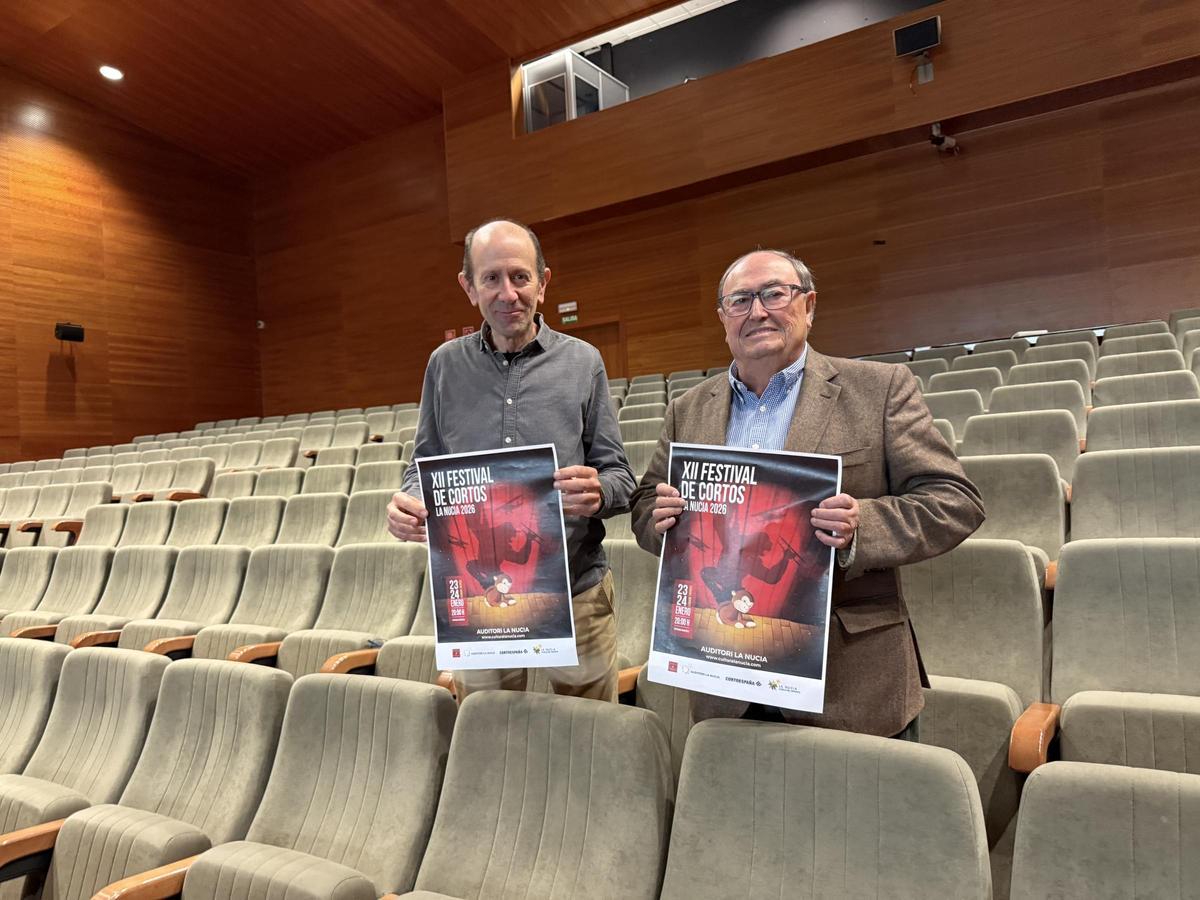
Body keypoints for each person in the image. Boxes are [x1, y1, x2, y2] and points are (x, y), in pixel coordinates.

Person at [631, 249, 984, 738]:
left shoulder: (878, 389)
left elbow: (954, 501)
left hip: (851, 683)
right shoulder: (688, 409)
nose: (757, 312)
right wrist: (661, 517)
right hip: (724, 684)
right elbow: (646, 504)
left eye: (774, 294)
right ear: (723, 318)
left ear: (809, 305)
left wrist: (863, 524)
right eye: (740, 301)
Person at [389, 218, 635, 702]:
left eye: (521, 277)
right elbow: (424, 464)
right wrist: (410, 500)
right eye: (491, 278)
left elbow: (621, 477)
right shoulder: (443, 365)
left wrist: (598, 491)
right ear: (469, 287)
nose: (508, 293)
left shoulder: (584, 362)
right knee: (489, 735)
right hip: (479, 594)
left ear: (543, 283)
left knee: (587, 738)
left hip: (575, 588)